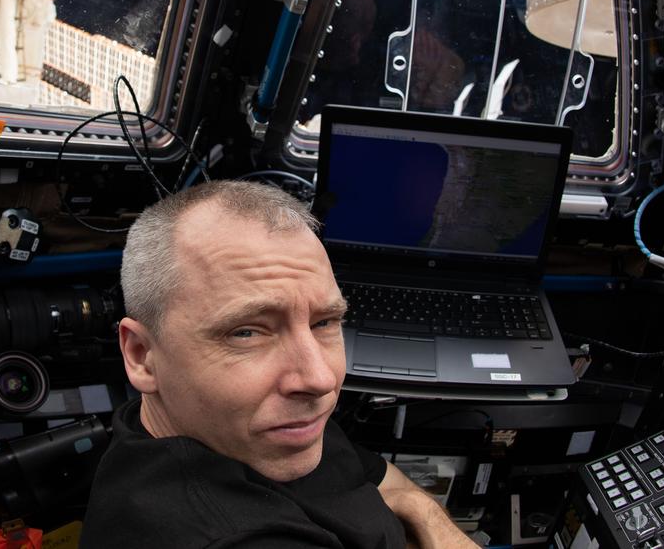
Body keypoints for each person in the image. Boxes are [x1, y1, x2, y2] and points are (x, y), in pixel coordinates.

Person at [82, 181, 477, 548]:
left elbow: (380, 480)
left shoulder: (250, 424)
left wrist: (421, 508)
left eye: (324, 322)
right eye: (247, 333)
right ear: (141, 355)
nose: (320, 379)